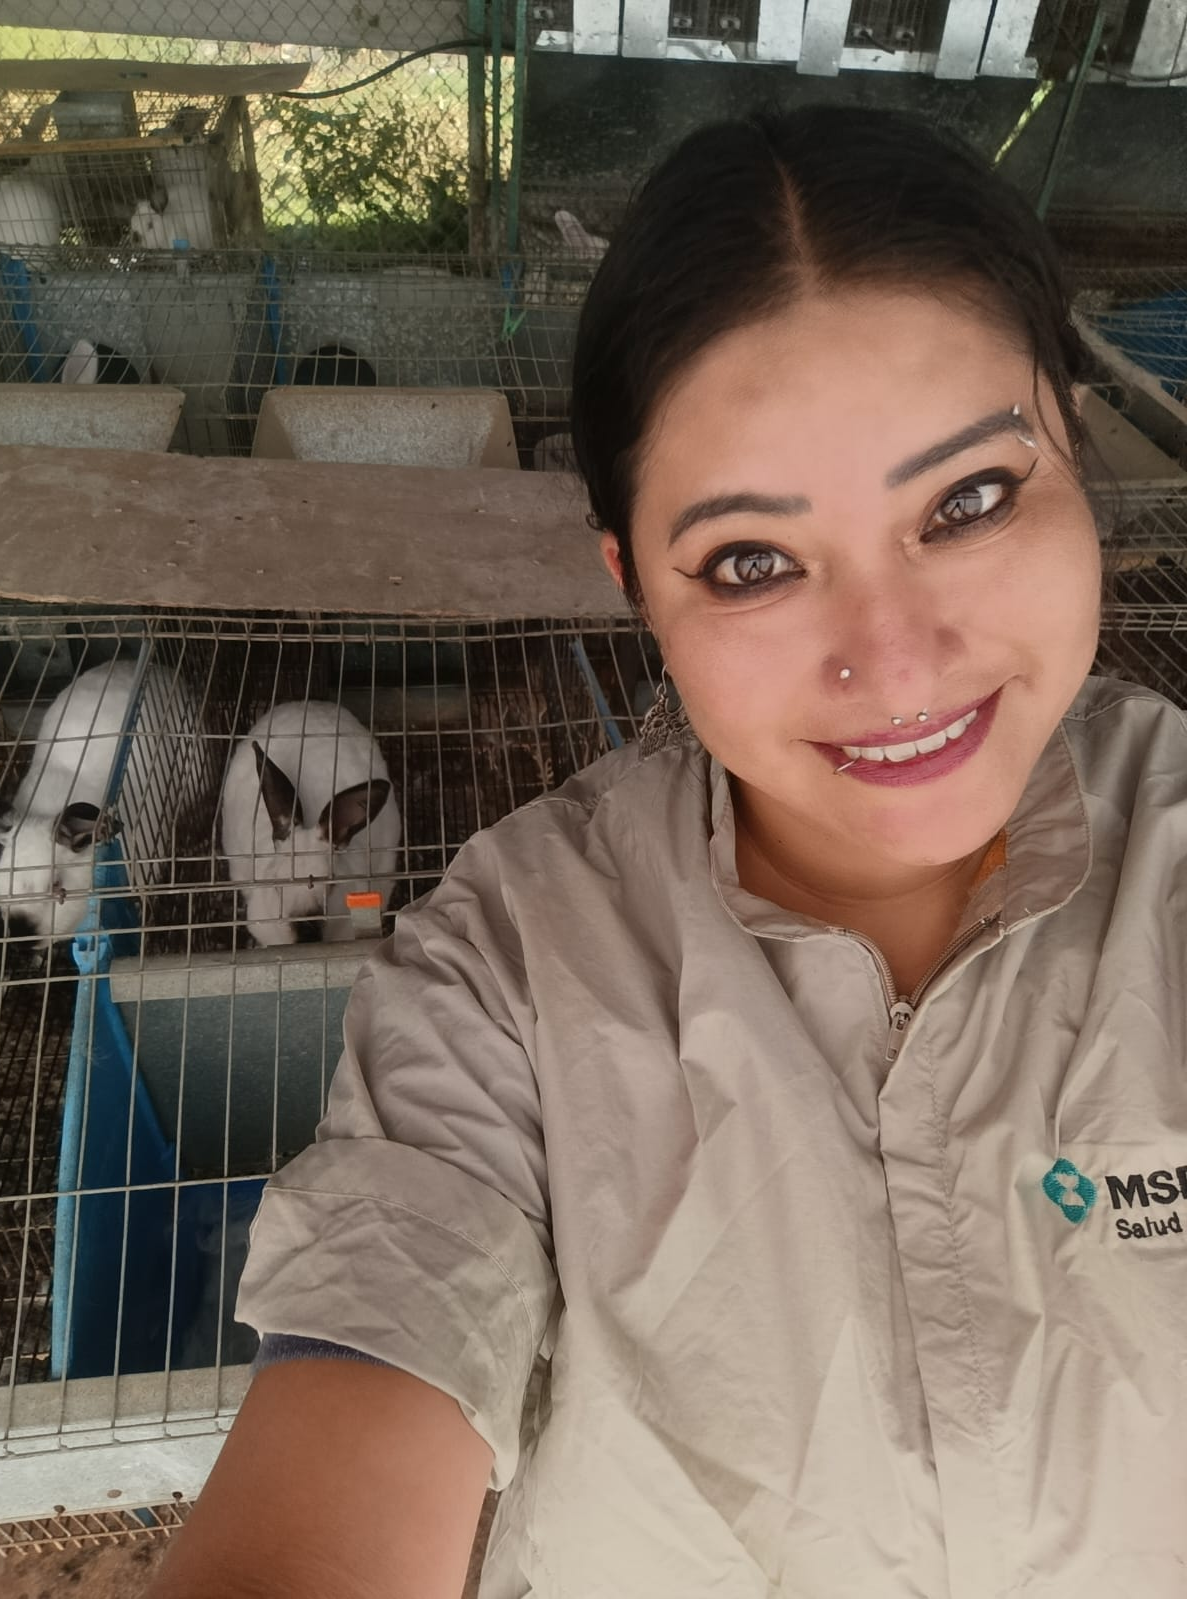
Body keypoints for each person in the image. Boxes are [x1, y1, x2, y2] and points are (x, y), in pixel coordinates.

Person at [147, 105, 1187, 1599]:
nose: (896, 662)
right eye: (753, 562)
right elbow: (352, 1414)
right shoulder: (511, 965)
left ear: (1074, 453)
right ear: (634, 585)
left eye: (968, 500)